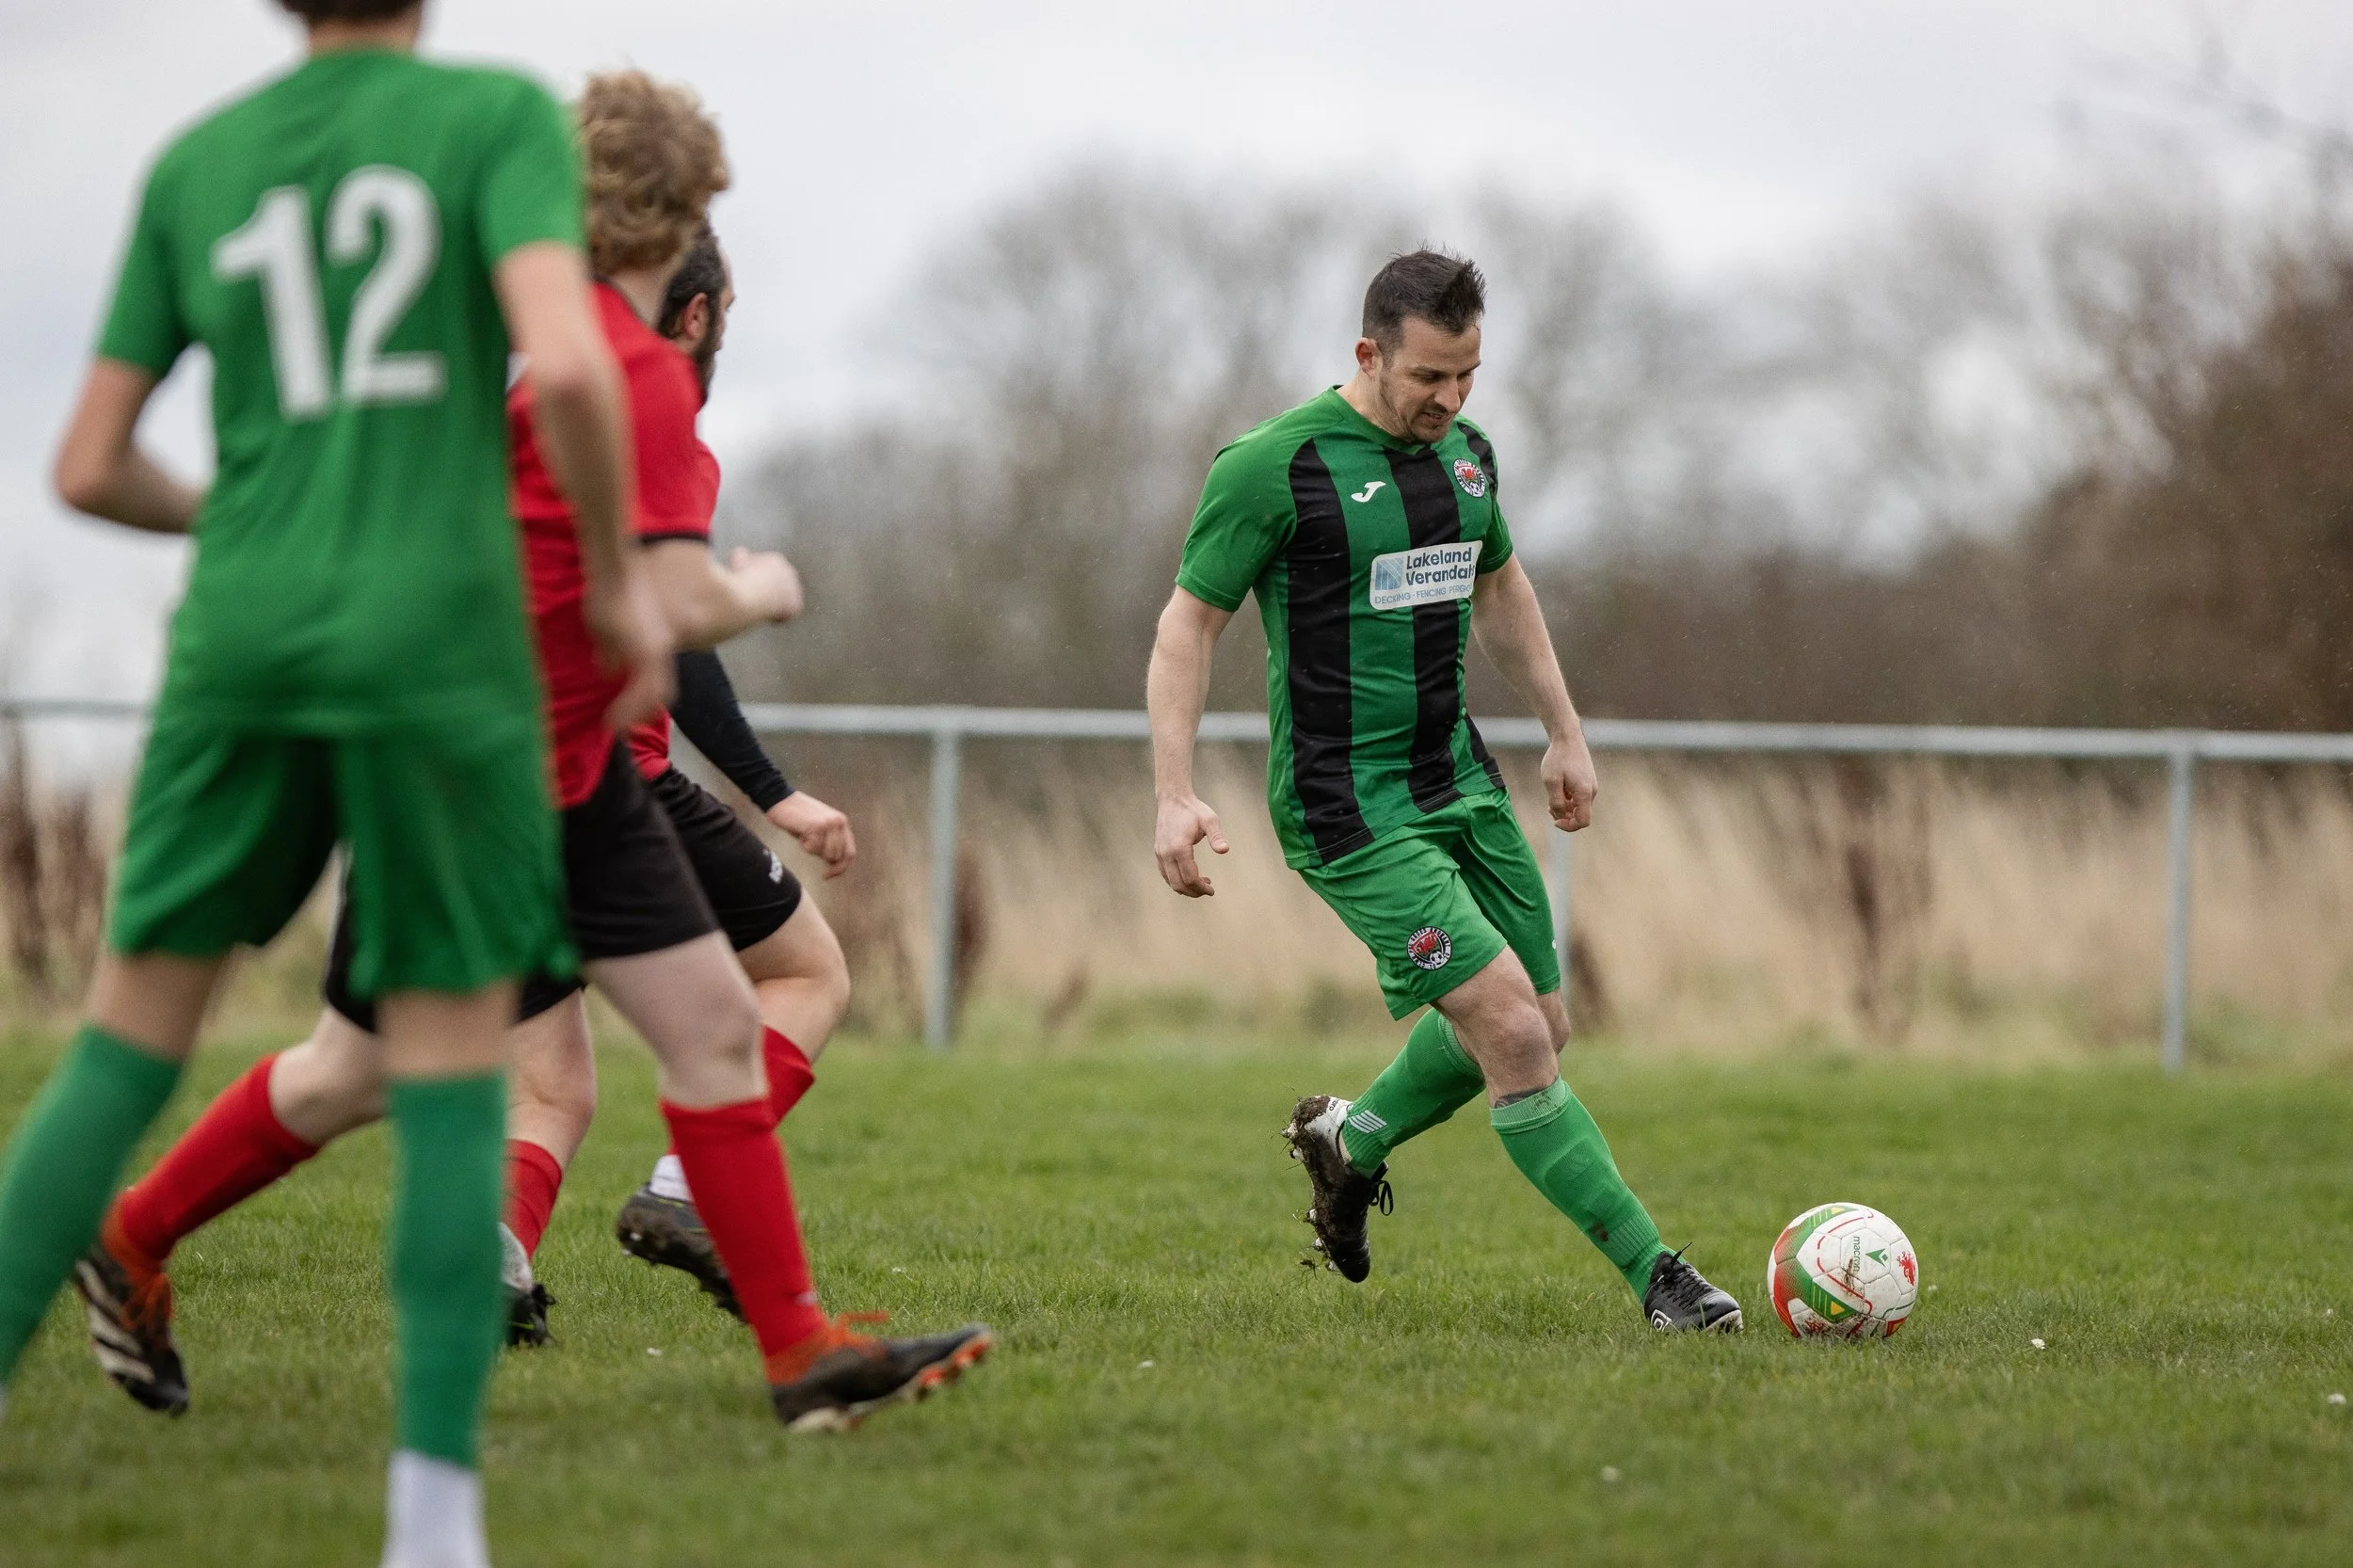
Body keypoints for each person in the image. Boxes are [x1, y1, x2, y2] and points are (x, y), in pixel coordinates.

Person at [71, 79, 987, 1437]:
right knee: (360, 1070)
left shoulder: (496, 359)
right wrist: (761, 588)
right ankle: (130, 1236)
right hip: (496, 781)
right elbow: (669, 610)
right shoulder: (640, 383)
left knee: (709, 1028)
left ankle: (798, 1353)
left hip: (551, 768)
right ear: (683, 219)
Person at [0, 5, 670, 1567]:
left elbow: (90, 461)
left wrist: (243, 509)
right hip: (435, 642)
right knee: (449, 1057)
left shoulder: (198, 160)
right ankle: (431, 1521)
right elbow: (567, 362)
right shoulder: (491, 118)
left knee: (117, 1051)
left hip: (239, 632)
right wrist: (623, 585)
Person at [1145, 249, 1742, 1334]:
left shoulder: (1467, 459)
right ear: (1369, 352)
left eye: (1468, 375)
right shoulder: (1271, 466)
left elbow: (1501, 583)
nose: (1450, 400)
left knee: (1545, 1024)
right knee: (1511, 1030)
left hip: (1455, 779)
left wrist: (1564, 731)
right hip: (1346, 805)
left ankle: (1349, 1141)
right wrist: (1173, 791)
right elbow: (1189, 622)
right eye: (1428, 377)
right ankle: (1664, 1283)